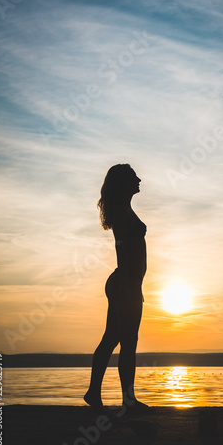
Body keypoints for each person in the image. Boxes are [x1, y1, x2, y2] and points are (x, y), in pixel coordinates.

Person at [84, 164, 153, 415]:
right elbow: (122, 250)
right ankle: (129, 400)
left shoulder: (125, 209)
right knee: (128, 342)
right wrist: (128, 286)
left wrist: (132, 284)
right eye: (134, 176)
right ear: (124, 182)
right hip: (125, 283)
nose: (139, 179)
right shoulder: (123, 213)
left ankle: (94, 393)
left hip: (126, 282)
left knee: (112, 339)